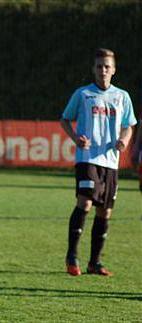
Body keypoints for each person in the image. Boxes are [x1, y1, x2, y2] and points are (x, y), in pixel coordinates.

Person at [61, 48, 137, 276]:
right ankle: (72, 257)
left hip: (110, 162)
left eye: (107, 66)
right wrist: (76, 138)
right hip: (87, 158)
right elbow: (65, 119)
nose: (103, 70)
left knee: (105, 212)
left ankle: (94, 263)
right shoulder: (83, 94)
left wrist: (124, 139)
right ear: (93, 69)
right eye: (99, 66)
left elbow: (129, 124)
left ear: (113, 70)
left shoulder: (122, 96)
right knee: (84, 203)